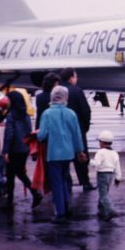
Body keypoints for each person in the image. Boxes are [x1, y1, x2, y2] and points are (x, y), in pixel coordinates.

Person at [37, 85, 86, 223]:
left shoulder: (47, 114)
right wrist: (80, 151)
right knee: (64, 180)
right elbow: (77, 135)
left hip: (53, 154)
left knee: (56, 183)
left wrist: (37, 137)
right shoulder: (71, 113)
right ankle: (66, 205)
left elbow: (42, 135)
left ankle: (60, 212)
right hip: (68, 153)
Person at [2, 91, 42, 208]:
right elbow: (29, 131)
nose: (7, 102)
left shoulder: (11, 116)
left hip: (13, 149)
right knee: (17, 172)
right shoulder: (26, 115)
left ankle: (34, 193)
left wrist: (5, 151)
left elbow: (9, 134)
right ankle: (9, 200)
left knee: (14, 174)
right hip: (24, 148)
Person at [60, 68, 96, 191]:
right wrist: (84, 127)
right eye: (75, 77)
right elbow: (86, 111)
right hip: (77, 129)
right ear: (71, 78)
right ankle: (85, 182)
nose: (76, 79)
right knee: (81, 157)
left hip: (61, 130)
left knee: (64, 159)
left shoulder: (56, 91)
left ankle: (67, 182)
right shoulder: (77, 91)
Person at [90, 130, 122, 221]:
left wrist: (88, 161)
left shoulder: (100, 152)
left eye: (99, 141)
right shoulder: (114, 153)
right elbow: (117, 166)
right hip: (111, 175)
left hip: (102, 175)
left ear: (102, 142)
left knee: (103, 194)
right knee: (104, 193)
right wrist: (118, 178)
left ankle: (110, 210)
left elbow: (97, 164)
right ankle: (102, 211)